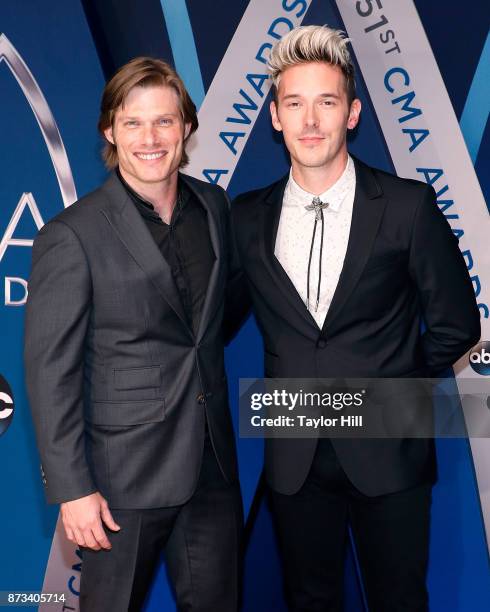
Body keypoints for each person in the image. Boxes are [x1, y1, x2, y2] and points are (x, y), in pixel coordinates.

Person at [231, 25, 480, 611]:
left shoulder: (406, 205)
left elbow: (457, 325)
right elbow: (217, 321)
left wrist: (391, 386)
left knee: (399, 600)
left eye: (326, 102)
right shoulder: (244, 219)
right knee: (308, 600)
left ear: (353, 113)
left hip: (390, 451)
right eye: (294, 103)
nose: (310, 120)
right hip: (294, 457)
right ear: (275, 117)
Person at [24, 57, 242, 612]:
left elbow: (212, 324)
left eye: (164, 122)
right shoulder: (72, 236)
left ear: (186, 128)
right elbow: (52, 373)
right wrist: (74, 489)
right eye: (133, 123)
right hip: (121, 480)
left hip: (212, 468)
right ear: (109, 132)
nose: (150, 138)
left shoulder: (213, 207)